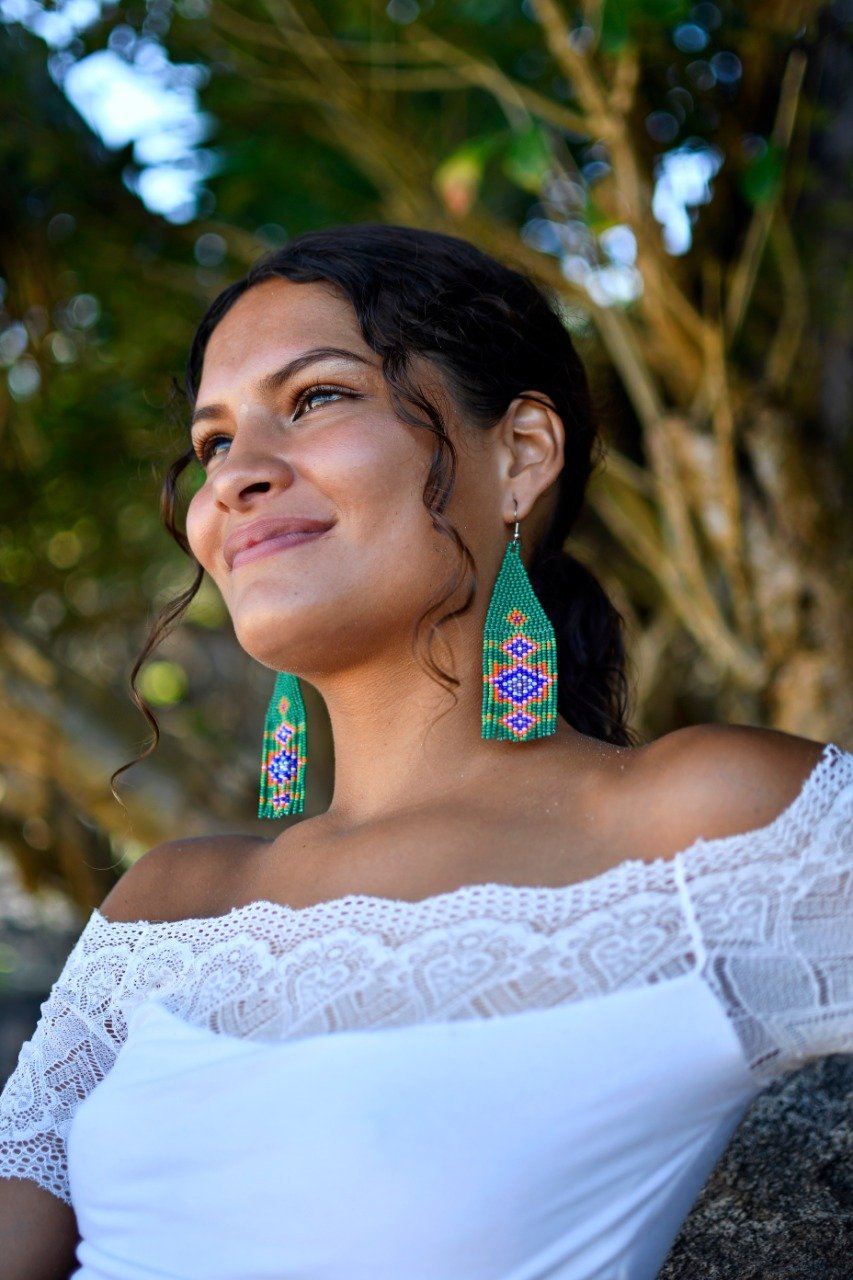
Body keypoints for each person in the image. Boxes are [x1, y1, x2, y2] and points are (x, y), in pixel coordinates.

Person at [1, 223, 850, 1280]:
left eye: (315, 398)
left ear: (520, 454)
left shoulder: (699, 826)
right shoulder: (168, 906)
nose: (235, 477)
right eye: (214, 442)